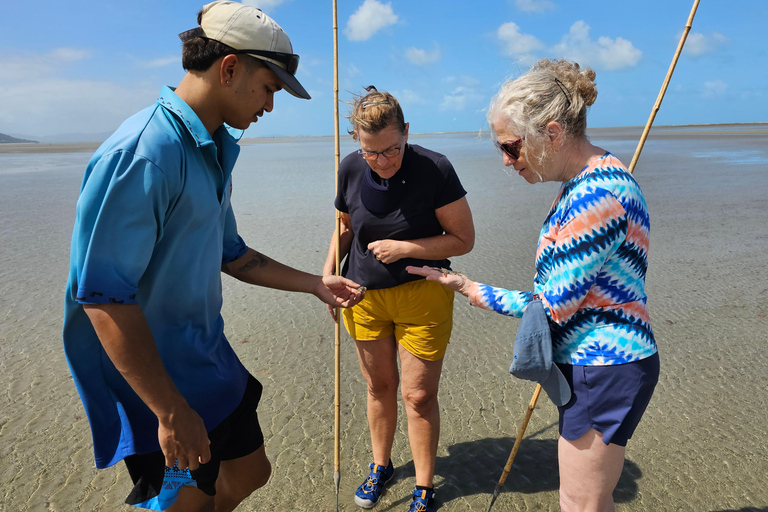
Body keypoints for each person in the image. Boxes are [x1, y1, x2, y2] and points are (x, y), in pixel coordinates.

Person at [62, 2, 364, 511]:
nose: (269, 106)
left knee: (251, 470)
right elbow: (102, 298)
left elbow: (233, 254)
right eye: (270, 88)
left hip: (207, 358)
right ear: (229, 69)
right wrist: (170, 412)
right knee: (185, 502)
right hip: (157, 379)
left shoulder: (212, 148)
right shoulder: (144, 153)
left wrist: (314, 283)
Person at [408, 59, 660, 512]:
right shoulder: (592, 178)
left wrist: (468, 287)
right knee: (590, 501)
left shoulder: (595, 195)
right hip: (604, 360)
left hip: (602, 365)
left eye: (511, 146)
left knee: (579, 503)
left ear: (552, 132)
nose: (506, 161)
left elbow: (551, 307)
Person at [323, 87, 475, 512]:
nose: (383, 161)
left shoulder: (435, 168)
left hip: (423, 296)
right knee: (378, 386)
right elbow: (344, 227)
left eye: (392, 149)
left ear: (407, 132)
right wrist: (327, 276)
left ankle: (424, 486)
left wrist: (405, 248)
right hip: (362, 296)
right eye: (371, 152)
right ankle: (381, 465)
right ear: (356, 139)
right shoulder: (350, 167)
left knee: (419, 396)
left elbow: (463, 240)